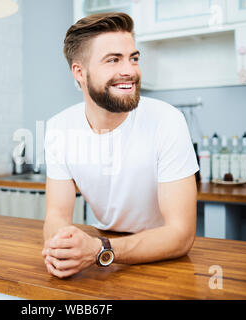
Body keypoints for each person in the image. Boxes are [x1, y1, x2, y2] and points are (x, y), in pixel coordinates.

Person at [42, 12, 199, 278]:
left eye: (133, 58)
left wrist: (99, 250)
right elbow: (56, 214)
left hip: (162, 257)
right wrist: (62, 249)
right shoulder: (59, 127)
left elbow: (181, 235)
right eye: (113, 60)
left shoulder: (167, 120)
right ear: (79, 72)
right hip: (104, 255)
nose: (130, 70)